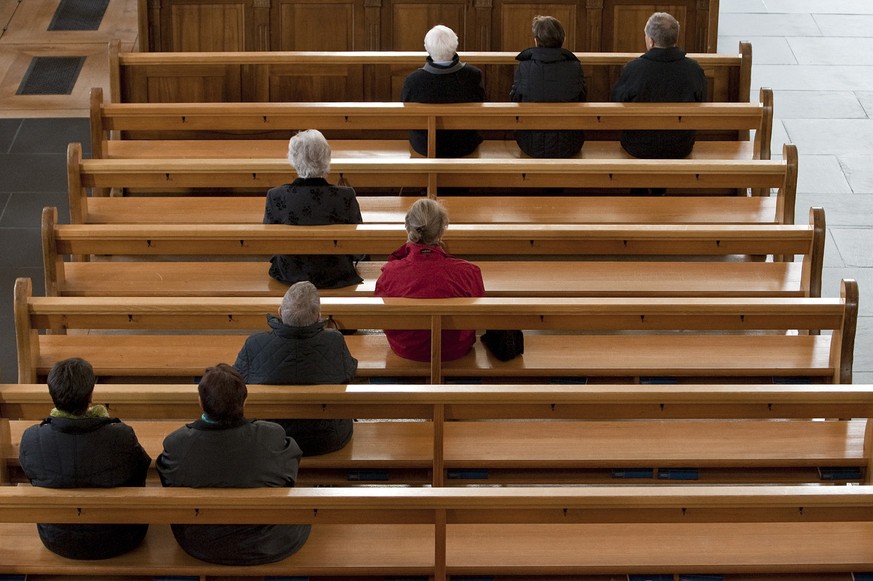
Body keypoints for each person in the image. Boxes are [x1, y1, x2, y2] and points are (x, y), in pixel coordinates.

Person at [156, 364, 310, 565]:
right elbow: (290, 472)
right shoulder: (271, 435)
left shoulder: (178, 443)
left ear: (200, 403)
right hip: (269, 541)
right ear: (244, 401)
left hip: (202, 542)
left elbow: (168, 481)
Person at [18, 357, 151, 560]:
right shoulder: (121, 436)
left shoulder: (32, 439)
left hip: (56, 538)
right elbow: (140, 471)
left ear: (53, 396)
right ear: (90, 395)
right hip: (120, 536)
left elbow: (33, 477)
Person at [234, 281, 357, 455]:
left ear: (280, 312)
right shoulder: (334, 341)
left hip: (271, 436)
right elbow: (349, 373)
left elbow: (237, 382)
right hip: (327, 438)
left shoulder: (255, 343)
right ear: (318, 316)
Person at [374, 198, 485, 362]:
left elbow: (381, 317)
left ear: (408, 228)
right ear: (441, 230)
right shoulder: (469, 272)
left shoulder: (390, 273)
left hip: (407, 349)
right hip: (454, 349)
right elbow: (479, 315)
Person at [264, 129, 364, 289]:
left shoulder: (276, 196)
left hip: (290, 272)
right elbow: (358, 245)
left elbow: (270, 243)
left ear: (293, 159)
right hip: (336, 272)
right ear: (327, 158)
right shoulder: (345, 196)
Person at [611, 12, 707, 159]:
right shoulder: (694, 69)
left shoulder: (634, 68)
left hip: (639, 146)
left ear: (651, 41)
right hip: (680, 146)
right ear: (675, 39)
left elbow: (617, 101)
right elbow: (702, 100)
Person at [401, 25, 486, 157]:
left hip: (424, 145)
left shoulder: (413, 80)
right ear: (455, 46)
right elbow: (481, 106)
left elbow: (407, 114)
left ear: (427, 48)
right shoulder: (473, 75)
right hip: (464, 144)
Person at [510, 15, 587, 158]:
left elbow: (515, 99)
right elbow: (582, 98)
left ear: (536, 40)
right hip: (569, 144)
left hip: (530, 144)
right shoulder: (575, 67)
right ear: (562, 40)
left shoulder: (524, 67)